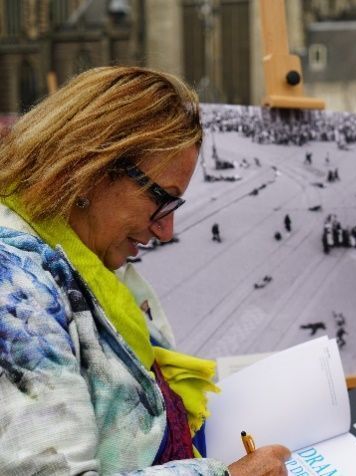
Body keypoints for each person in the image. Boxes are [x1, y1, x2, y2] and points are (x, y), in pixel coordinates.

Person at [0, 66, 289, 474]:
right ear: (92, 167)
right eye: (162, 199)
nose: (166, 230)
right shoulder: (14, 290)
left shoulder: (88, 262)